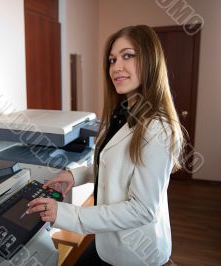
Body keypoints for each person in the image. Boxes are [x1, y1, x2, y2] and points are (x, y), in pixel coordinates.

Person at [26, 25, 186, 265]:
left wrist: (68, 214)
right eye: (112, 60)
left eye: (128, 56)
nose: (116, 67)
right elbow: (116, 166)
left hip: (135, 252)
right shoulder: (122, 114)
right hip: (109, 240)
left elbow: (142, 210)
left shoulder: (156, 128)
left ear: (150, 61)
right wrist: (75, 175)